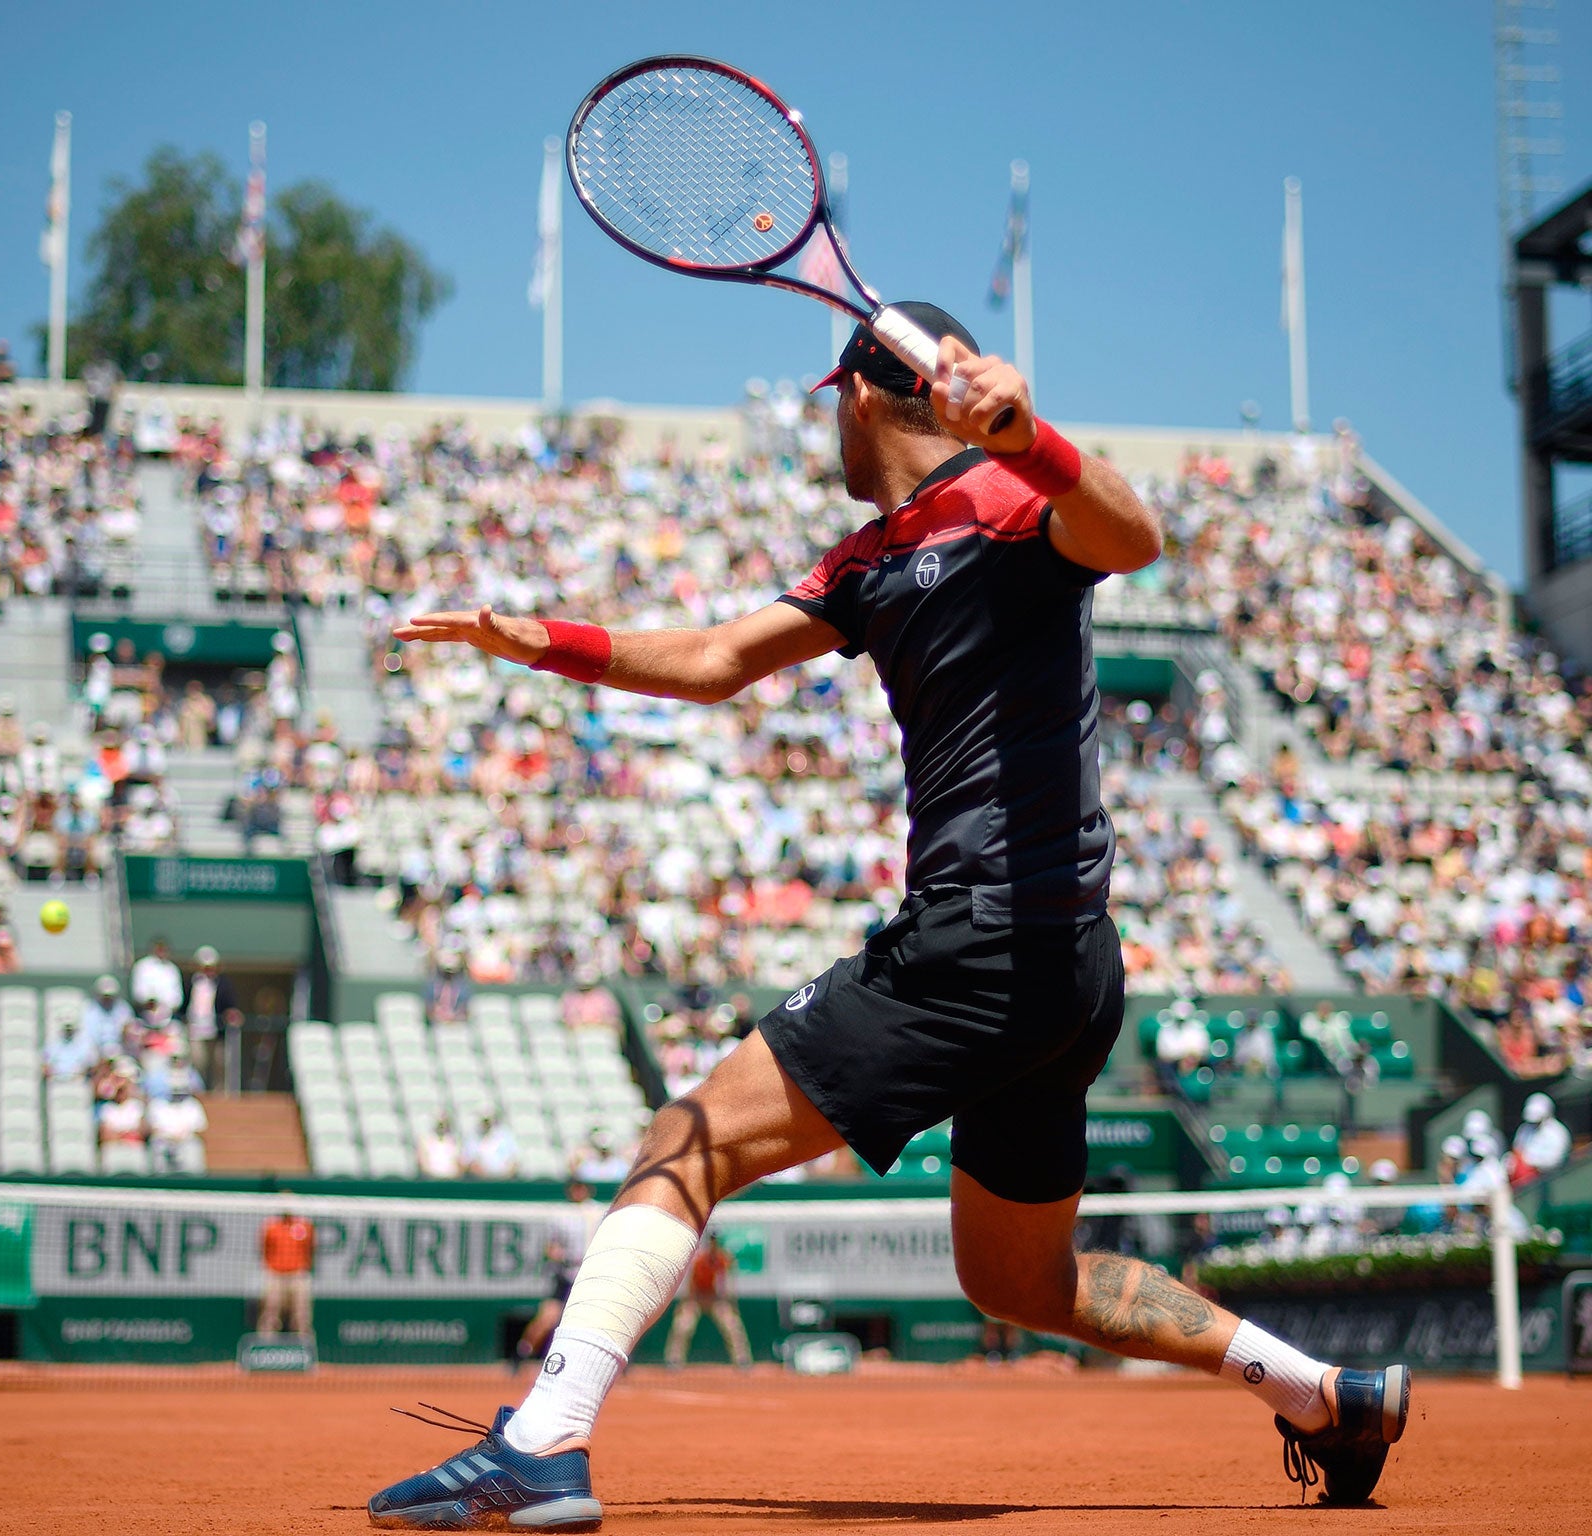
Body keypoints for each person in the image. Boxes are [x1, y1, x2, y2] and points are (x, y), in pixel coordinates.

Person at [368, 308, 1407, 1528]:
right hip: (1064, 964)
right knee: (1016, 1281)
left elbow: (1131, 536)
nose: (826, 424)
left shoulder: (1011, 498)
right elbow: (711, 660)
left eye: (828, 404)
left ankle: (542, 1441)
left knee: (684, 1141)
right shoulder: (868, 556)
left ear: (858, 398)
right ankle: (1323, 1395)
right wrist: (536, 640)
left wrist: (1031, 436)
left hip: (979, 938)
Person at [515, 1180, 602, 1373]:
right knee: (548, 1318)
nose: (578, 1191)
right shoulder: (560, 1214)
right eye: (575, 1187)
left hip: (589, 1276)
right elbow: (551, 1248)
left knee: (597, 1320)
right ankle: (521, 1354)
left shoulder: (598, 1212)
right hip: (564, 1276)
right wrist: (562, 1256)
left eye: (582, 1187)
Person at [663, 1230, 752, 1370]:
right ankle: (674, 1360)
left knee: (732, 1324)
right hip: (696, 1297)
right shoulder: (700, 1259)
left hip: (714, 1297)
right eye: (711, 1240)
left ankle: (742, 1360)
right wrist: (684, 1302)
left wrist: (731, 1304)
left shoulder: (723, 1258)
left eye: (715, 1241)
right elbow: (689, 1284)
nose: (713, 1243)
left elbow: (728, 1283)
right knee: (683, 1325)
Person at [185, 946, 244, 1093]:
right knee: (198, 1063)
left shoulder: (224, 984)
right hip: (195, 1031)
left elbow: (230, 1006)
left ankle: (219, 1095)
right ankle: (199, 1092)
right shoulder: (190, 983)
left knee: (220, 1064)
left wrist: (231, 1015)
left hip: (217, 1032)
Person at [257, 1201, 315, 1337]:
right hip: (275, 1274)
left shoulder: (305, 1226)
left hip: (298, 1275)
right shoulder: (271, 1227)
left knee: (302, 1314)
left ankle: (304, 1346)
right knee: (270, 1311)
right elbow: (264, 1249)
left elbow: (311, 1249)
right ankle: (265, 1345)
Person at [1509, 1093, 1571, 1186]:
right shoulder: (1524, 1128)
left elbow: (1555, 1160)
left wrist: (1531, 1164)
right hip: (1523, 1177)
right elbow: (1517, 1149)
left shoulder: (1558, 1132)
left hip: (1550, 1178)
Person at [148, 1081, 209, 1174]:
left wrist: (182, 1137)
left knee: (194, 1147)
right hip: (164, 1141)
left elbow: (200, 1128)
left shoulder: (193, 1105)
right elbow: (153, 1128)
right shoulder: (158, 1104)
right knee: (157, 1144)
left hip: (186, 1141)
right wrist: (169, 1137)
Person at [131, 935, 184, 1018]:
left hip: (168, 1016)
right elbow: (138, 993)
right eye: (159, 948)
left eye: (164, 949)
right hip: (146, 1015)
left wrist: (167, 1007)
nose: (161, 952)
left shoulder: (172, 969)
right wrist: (150, 1002)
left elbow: (177, 997)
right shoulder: (142, 966)